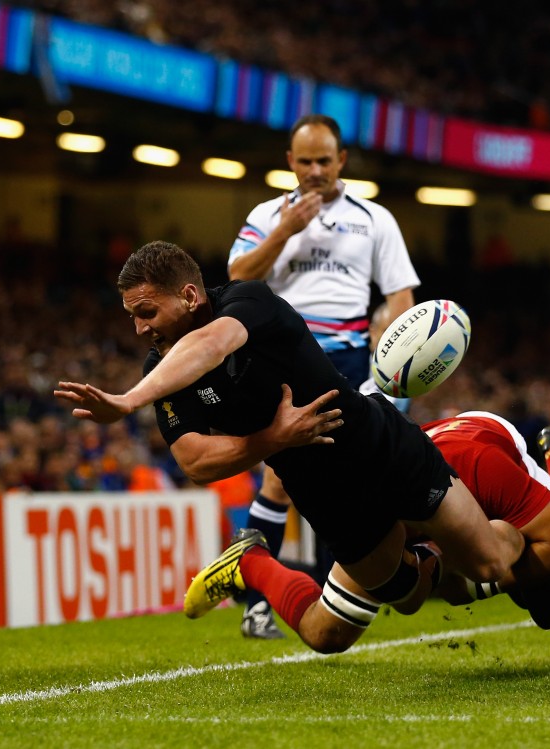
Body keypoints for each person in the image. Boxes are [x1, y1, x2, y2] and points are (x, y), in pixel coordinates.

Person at [54, 241, 527, 635]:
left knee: (489, 565)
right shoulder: (161, 370)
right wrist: (274, 438)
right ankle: (437, 554)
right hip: (321, 493)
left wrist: (128, 401)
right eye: (131, 316)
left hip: (375, 447)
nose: (139, 328)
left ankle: (526, 560)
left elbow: (212, 344)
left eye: (147, 311)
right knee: (404, 596)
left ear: (190, 296)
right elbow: (195, 463)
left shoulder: (248, 301)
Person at [181, 410, 550, 653]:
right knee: (325, 633)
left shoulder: (481, 468)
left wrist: (461, 584)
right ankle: (248, 558)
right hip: (416, 503)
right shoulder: (357, 508)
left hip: (477, 443)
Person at [227, 113, 420, 637]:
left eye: (324, 160)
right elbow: (237, 276)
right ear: (290, 162)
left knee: (371, 472)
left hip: (352, 360)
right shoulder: (267, 214)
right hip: (283, 359)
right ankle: (255, 601)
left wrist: (392, 344)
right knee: (281, 477)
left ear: (342, 161)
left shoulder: (374, 219)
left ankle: (373, 581)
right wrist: (287, 231)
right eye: (305, 160)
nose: (315, 170)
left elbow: (401, 297)